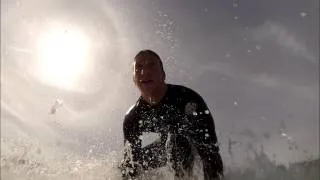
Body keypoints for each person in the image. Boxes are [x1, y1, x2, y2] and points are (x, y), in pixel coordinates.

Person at [120, 50, 223, 179]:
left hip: (190, 143)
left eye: (151, 65)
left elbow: (210, 155)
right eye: (139, 67)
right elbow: (130, 167)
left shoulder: (188, 100)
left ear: (163, 75)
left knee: (176, 143)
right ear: (134, 79)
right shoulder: (133, 117)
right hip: (164, 146)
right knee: (127, 165)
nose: (144, 72)